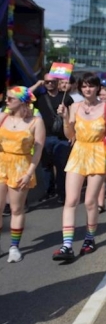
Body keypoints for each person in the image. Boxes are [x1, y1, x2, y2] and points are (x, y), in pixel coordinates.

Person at [53, 73, 106, 261]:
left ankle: (89, 238)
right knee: (71, 200)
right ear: (80, 88)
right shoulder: (74, 106)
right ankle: (66, 245)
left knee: (90, 201)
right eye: (84, 86)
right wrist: (66, 118)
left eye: (91, 86)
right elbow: (69, 135)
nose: (87, 89)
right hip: (78, 152)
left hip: (97, 153)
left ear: (98, 88)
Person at [0, 86, 45, 263]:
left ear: (22, 101)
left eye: (11, 98)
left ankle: (14, 247)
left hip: (21, 166)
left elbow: (38, 150)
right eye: (7, 98)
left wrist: (29, 173)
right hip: (1, 162)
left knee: (16, 209)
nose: (7, 100)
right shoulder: (3, 117)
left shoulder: (36, 122)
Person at [34, 73, 73, 205]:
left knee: (61, 167)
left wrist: (73, 134)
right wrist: (37, 84)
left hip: (62, 138)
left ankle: (62, 194)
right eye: (46, 82)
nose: (49, 84)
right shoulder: (40, 96)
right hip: (44, 137)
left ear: (57, 82)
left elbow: (73, 118)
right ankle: (48, 191)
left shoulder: (66, 98)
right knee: (46, 167)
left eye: (52, 82)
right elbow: (24, 96)